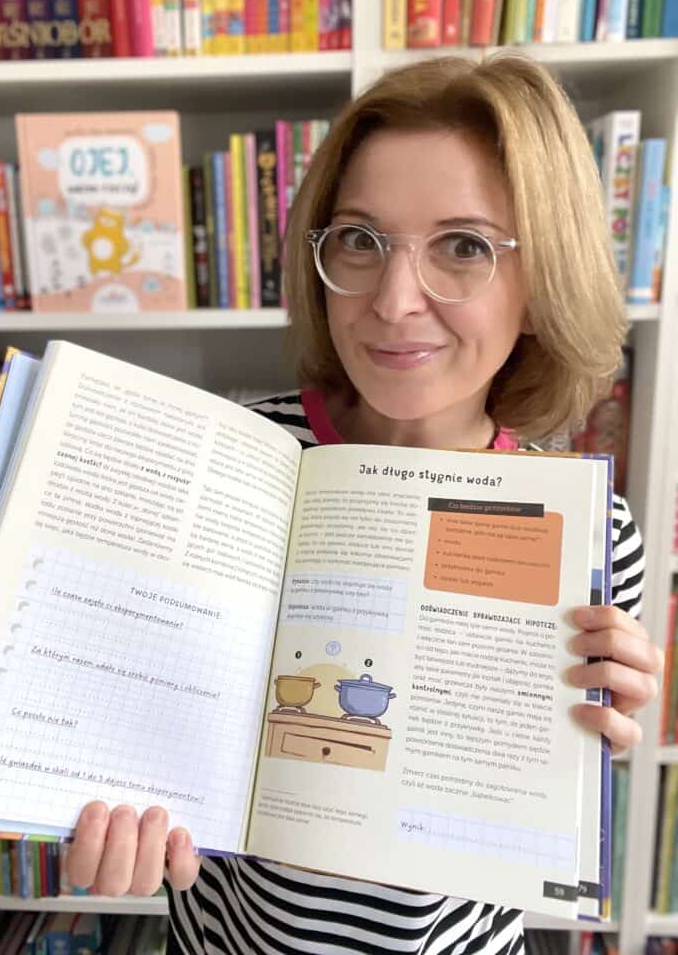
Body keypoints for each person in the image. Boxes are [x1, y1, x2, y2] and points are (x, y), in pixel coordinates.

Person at [66, 54, 663, 954]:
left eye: (465, 247)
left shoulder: (590, 531)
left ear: (542, 285)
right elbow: (133, 707)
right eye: (359, 240)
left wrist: (592, 735)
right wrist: (94, 796)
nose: (393, 301)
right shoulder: (229, 461)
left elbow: (538, 794)